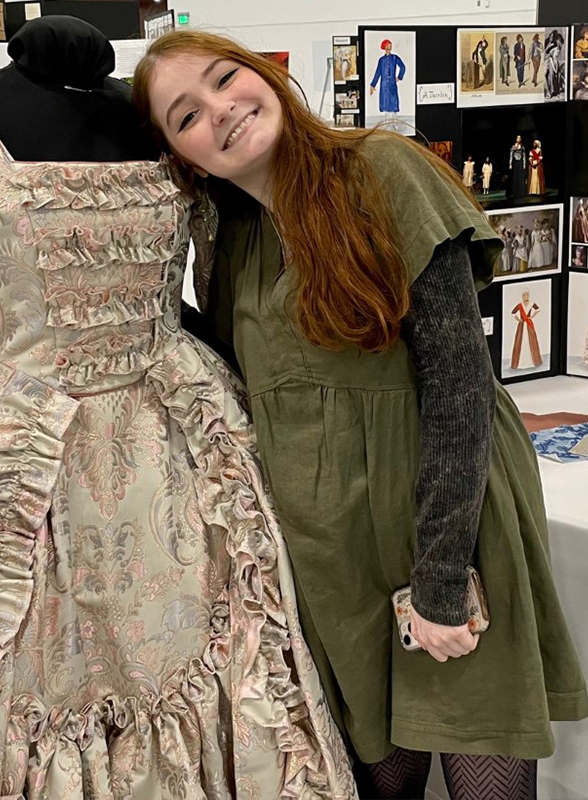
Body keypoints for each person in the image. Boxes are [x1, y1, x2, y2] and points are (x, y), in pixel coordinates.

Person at [0, 18, 355, 799]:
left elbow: (211, 276)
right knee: (4, 667)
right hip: (15, 440)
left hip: (178, 436)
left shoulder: (166, 127)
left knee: (218, 645)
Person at [134, 29, 587, 800]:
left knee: (484, 774)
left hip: (443, 524)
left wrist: (441, 578)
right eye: (186, 115)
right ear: (183, 157)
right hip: (332, 554)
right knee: (381, 780)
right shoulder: (229, 241)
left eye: (223, 78)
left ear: (261, 75)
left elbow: (457, 382)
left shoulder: (380, 169)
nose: (221, 109)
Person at [369, 38, 405, 130]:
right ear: (384, 47)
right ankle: (388, 123)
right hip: (384, 85)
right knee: (386, 104)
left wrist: (399, 77)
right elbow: (378, 72)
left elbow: (402, 67)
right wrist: (373, 85)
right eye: (388, 45)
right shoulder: (381, 60)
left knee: (393, 103)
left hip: (392, 84)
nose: (389, 47)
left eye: (390, 45)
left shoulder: (394, 58)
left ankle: (395, 122)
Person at [510, 290, 543, 370]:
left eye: (527, 295)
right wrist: (518, 319)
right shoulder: (520, 305)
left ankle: (534, 361)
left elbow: (538, 309)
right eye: (524, 295)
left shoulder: (532, 304)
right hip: (522, 325)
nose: (525, 297)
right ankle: (519, 363)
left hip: (528, 324)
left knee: (531, 340)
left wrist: (531, 317)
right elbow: (513, 313)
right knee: (520, 340)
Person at [508, 134, 527, 199]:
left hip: (520, 162)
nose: (519, 139)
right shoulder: (513, 147)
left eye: (520, 138)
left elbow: (524, 156)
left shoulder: (522, 147)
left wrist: (524, 164)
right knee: (515, 176)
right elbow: (511, 156)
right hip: (515, 162)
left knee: (520, 177)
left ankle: (521, 192)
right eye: (518, 138)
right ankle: (515, 192)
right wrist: (510, 164)